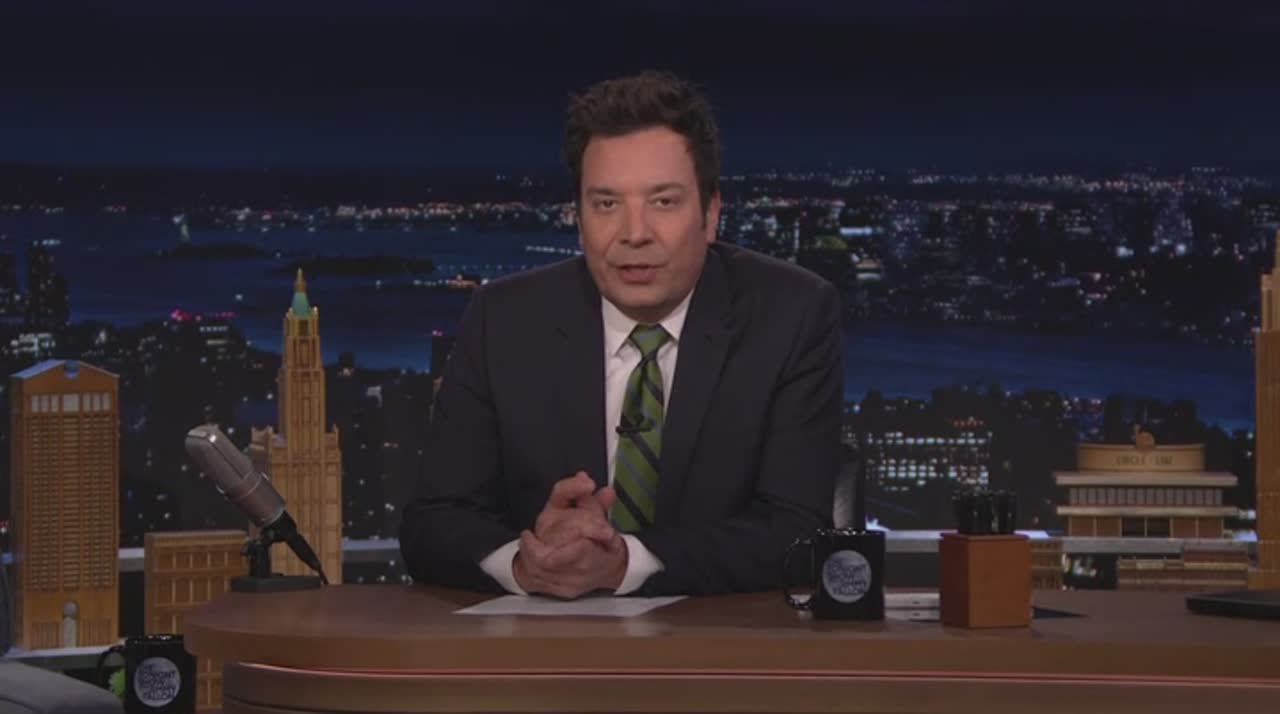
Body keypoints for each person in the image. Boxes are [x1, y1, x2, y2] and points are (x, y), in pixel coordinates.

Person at [399, 70, 843, 598]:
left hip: (719, 640)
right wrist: (526, 561)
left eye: (663, 202)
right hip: (543, 643)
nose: (634, 234)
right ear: (579, 218)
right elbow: (432, 523)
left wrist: (624, 563)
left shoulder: (791, 315)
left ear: (711, 213)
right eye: (607, 204)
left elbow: (797, 533)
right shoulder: (504, 320)